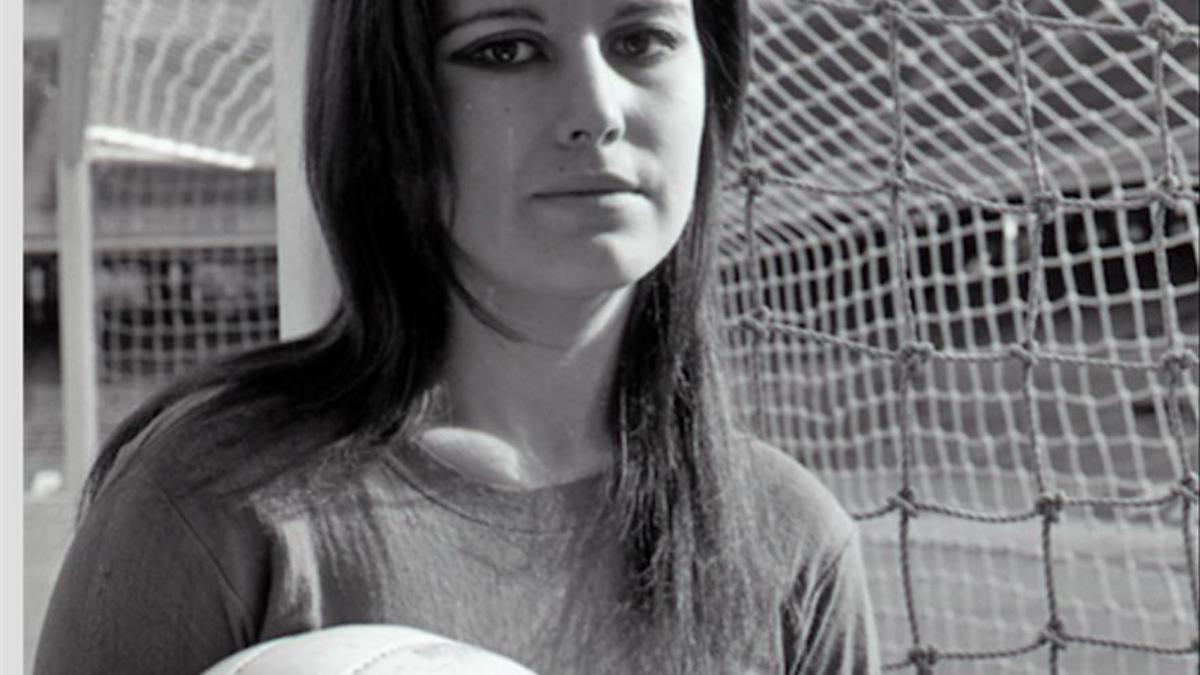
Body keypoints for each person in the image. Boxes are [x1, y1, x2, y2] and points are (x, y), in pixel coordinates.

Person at [35, 1, 880, 673]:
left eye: (642, 38)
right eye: (506, 48)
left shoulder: (792, 543)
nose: (597, 110)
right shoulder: (210, 505)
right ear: (392, 104)